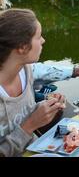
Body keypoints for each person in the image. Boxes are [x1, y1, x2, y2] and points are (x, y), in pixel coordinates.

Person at [0, 9, 66, 157]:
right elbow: (27, 126)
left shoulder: (25, 71)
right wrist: (30, 125)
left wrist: (49, 109)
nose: (43, 40)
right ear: (23, 47)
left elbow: (23, 115)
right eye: (38, 36)